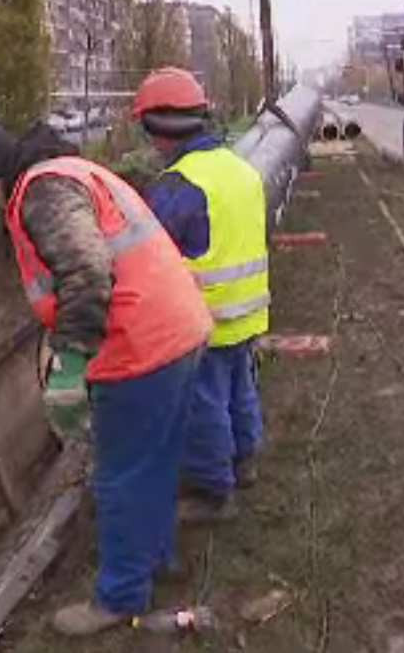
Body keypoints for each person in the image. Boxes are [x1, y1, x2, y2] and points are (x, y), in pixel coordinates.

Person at [0, 118, 212, 637]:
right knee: (153, 460)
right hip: (178, 329)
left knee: (119, 474)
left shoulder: (39, 192)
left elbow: (88, 269)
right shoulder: (69, 170)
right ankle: (157, 558)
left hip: (140, 346)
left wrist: (69, 363)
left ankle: (119, 598)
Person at [132, 68, 270, 522]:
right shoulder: (241, 170)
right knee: (240, 388)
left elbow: (149, 253)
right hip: (248, 311)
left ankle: (214, 491)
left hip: (204, 317)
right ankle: (244, 460)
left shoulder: (178, 184)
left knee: (203, 404)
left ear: (162, 127)